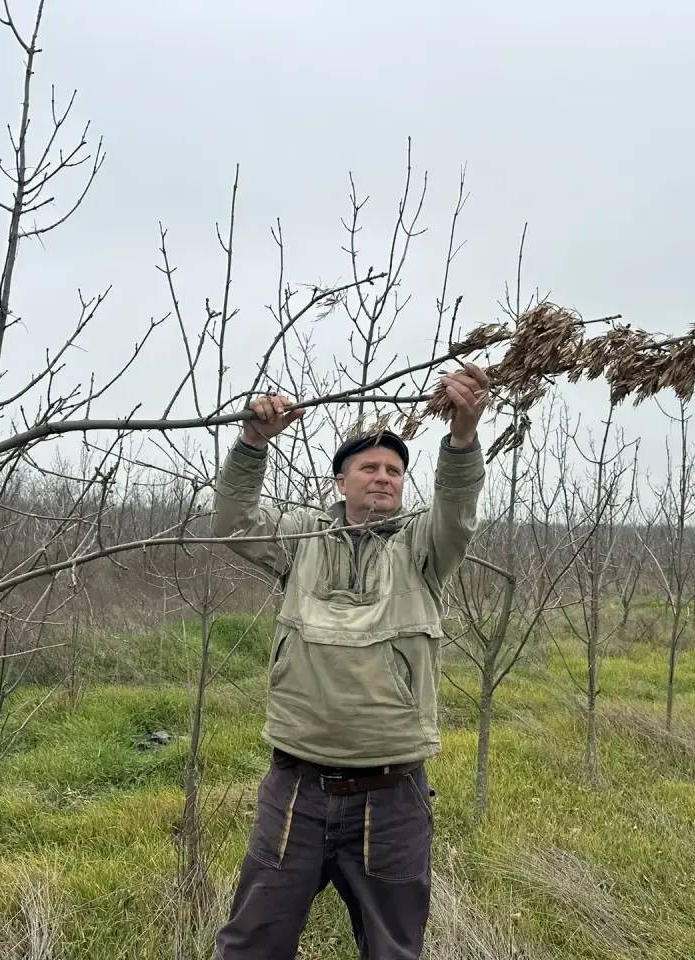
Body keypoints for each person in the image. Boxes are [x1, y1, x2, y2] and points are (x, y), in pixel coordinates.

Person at [213, 364, 489, 960]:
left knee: (393, 949)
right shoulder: (304, 538)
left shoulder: (423, 547)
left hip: (392, 795)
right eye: (369, 467)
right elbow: (233, 525)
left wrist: (463, 437)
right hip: (296, 789)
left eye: (395, 470)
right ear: (342, 481)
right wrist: (253, 443)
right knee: (251, 945)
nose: (384, 477)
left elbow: (457, 512)